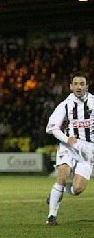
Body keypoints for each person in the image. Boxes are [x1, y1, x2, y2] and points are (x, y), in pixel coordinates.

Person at [45, 71, 93, 226]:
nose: (79, 87)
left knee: (77, 189)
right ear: (71, 87)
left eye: (82, 84)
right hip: (69, 146)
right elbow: (52, 128)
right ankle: (51, 216)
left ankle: (56, 192)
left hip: (87, 150)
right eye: (76, 84)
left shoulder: (93, 103)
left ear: (87, 86)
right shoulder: (65, 105)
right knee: (63, 174)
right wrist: (68, 139)